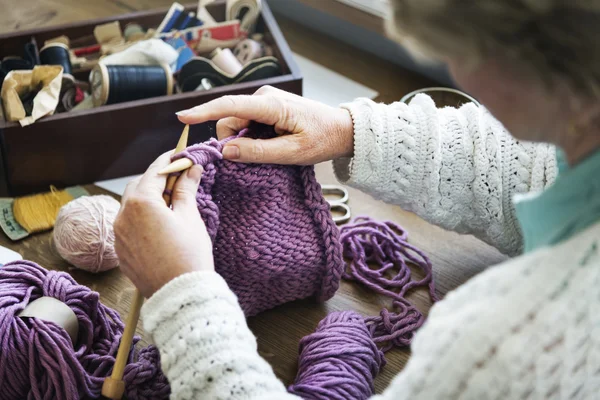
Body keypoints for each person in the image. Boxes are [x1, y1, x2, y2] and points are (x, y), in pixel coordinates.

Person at [115, 1, 600, 398]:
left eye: (456, 52)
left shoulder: (515, 348)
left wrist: (184, 299)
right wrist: (356, 132)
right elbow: (544, 161)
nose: (455, 71)